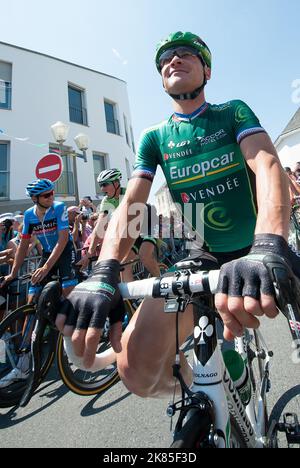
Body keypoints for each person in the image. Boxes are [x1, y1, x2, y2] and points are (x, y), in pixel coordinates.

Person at [58, 31, 298, 400]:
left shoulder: (232, 112)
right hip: (205, 253)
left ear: (207, 70)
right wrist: (104, 268)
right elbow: (133, 205)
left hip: (259, 246)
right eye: (166, 58)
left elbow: (267, 164)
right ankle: (209, 400)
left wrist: (269, 242)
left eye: (186, 53)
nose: (174, 60)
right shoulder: (155, 138)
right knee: (134, 370)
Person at [84, 168, 161, 280]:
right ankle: (130, 297)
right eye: (100, 185)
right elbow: (99, 227)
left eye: (105, 184)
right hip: (132, 228)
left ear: (116, 183)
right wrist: (89, 253)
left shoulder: (129, 193)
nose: (102, 188)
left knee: (144, 255)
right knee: (123, 264)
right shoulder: (106, 201)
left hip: (148, 223)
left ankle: (160, 281)